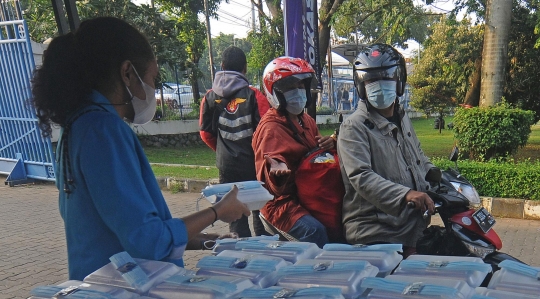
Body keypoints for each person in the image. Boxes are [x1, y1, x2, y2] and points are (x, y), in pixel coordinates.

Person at [30, 17, 250, 280]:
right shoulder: (104, 132)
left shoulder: (78, 125)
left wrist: (204, 240)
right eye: (153, 78)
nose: (154, 90)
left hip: (100, 282)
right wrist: (217, 211)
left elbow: (124, 229)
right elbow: (149, 240)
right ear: (127, 73)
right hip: (124, 286)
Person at [337, 43, 437, 257]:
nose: (380, 87)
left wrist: (437, 176)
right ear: (362, 85)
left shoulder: (402, 118)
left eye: (386, 80)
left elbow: (417, 155)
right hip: (376, 230)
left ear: (399, 82)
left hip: (407, 224)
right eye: (372, 81)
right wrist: (407, 194)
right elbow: (361, 176)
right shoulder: (354, 126)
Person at [252, 56, 336, 248]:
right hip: (282, 205)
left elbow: (316, 155)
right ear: (275, 93)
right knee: (315, 232)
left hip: (307, 194)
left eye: (300, 86)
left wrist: (329, 144)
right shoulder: (271, 129)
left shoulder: (306, 120)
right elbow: (270, 173)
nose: (297, 92)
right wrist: (277, 174)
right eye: (290, 87)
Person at [199, 46, 270, 238]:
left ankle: (240, 257)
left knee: (234, 214)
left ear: (222, 66)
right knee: (260, 211)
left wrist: (223, 150)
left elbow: (206, 133)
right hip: (254, 165)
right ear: (245, 69)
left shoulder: (209, 97)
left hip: (227, 166)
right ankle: (264, 255)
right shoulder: (255, 95)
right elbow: (267, 131)